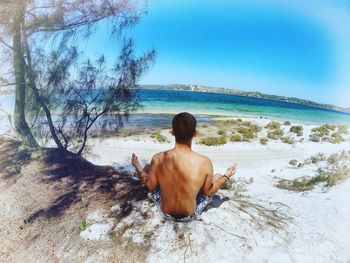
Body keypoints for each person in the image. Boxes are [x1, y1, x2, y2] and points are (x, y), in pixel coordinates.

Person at [131, 112, 237, 222]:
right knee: (218, 176)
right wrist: (227, 176)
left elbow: (151, 186)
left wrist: (138, 167)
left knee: (148, 168)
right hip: (190, 215)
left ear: (172, 132)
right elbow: (208, 192)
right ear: (195, 134)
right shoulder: (205, 162)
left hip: (165, 212)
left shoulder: (158, 158)